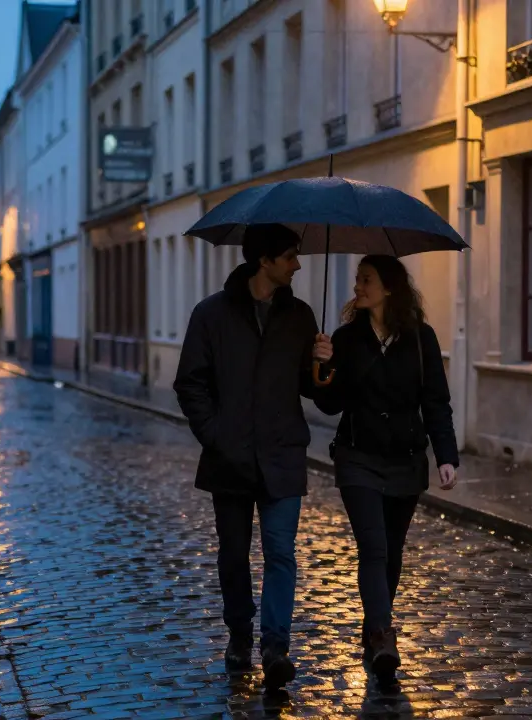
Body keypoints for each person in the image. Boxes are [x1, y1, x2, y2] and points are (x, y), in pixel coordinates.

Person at [173, 224, 334, 690]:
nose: (298, 265)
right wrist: (216, 434)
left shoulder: (301, 316)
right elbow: (190, 384)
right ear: (265, 260)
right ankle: (240, 636)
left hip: (283, 455)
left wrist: (324, 362)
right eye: (290, 257)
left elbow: (316, 391)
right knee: (234, 555)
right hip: (231, 459)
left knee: (282, 553)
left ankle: (275, 645)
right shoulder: (211, 315)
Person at [313, 254, 459, 689]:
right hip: (357, 457)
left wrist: (446, 456)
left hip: (405, 460)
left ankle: (374, 627)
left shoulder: (420, 339)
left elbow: (436, 402)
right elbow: (328, 403)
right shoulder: (345, 337)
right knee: (373, 547)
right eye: (358, 279)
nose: (358, 287)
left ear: (389, 288)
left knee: (392, 552)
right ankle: (382, 636)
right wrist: (322, 365)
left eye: (367, 280)